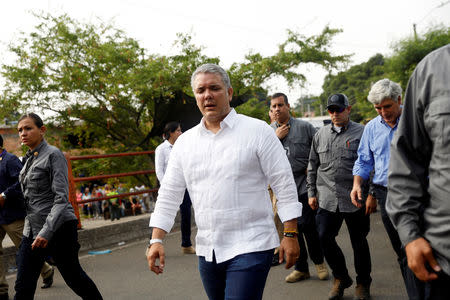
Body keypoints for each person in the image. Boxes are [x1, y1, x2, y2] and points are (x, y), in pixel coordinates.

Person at [147, 63, 302, 300]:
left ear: (229, 93)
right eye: (201, 91)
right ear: (196, 97)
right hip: (208, 249)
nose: (207, 95)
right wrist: (156, 239)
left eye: (214, 88)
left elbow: (284, 185)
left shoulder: (258, 132)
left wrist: (290, 234)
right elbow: (169, 193)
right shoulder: (186, 144)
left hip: (251, 244)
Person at [14, 113, 102, 299]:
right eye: (20, 130)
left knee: (74, 277)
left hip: (58, 228)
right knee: (23, 285)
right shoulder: (28, 159)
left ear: (42, 130)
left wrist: (46, 232)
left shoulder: (54, 155)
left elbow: (61, 198)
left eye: (28, 128)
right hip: (31, 230)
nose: (23, 133)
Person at [350, 78, 424, 299]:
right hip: (386, 195)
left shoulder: (416, 121)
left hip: (418, 194)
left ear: (399, 100)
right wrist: (356, 184)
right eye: (378, 108)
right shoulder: (371, 128)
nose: (383, 112)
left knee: (422, 247)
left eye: (387, 106)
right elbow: (364, 161)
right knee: (402, 253)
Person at [386, 44, 450, 300]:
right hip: (444, 258)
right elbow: (405, 160)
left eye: (386, 105)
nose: (383, 110)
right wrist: (410, 236)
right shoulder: (433, 70)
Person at [307, 94, 372, 300]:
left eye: (339, 109)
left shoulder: (363, 132)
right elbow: (312, 165)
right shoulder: (320, 134)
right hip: (327, 198)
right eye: (331, 110)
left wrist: (371, 195)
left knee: (359, 242)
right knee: (324, 237)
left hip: (355, 198)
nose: (335, 114)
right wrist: (311, 193)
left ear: (348, 109)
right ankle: (341, 277)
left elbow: (372, 165)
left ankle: (363, 283)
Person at [270, 93, 328, 282]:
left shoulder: (305, 127)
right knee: (291, 231)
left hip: (304, 185)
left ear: (288, 106)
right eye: (274, 106)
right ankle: (301, 268)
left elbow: (320, 150)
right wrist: (276, 138)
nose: (277, 109)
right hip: (282, 190)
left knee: (308, 227)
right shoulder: (268, 132)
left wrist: (314, 171)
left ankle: (319, 263)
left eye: (280, 105)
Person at [0, 135, 54, 299]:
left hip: (12, 215)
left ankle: (46, 270)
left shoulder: (10, 160)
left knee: (26, 249)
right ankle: (2, 291)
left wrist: (4, 195)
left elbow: (22, 183)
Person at [155, 121, 195, 254]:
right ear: (170, 133)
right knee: (164, 213)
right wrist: (166, 187)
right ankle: (153, 243)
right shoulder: (161, 149)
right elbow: (159, 171)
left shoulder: (183, 147)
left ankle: (186, 244)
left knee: (186, 214)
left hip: (184, 186)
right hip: (169, 187)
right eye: (178, 130)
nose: (181, 133)